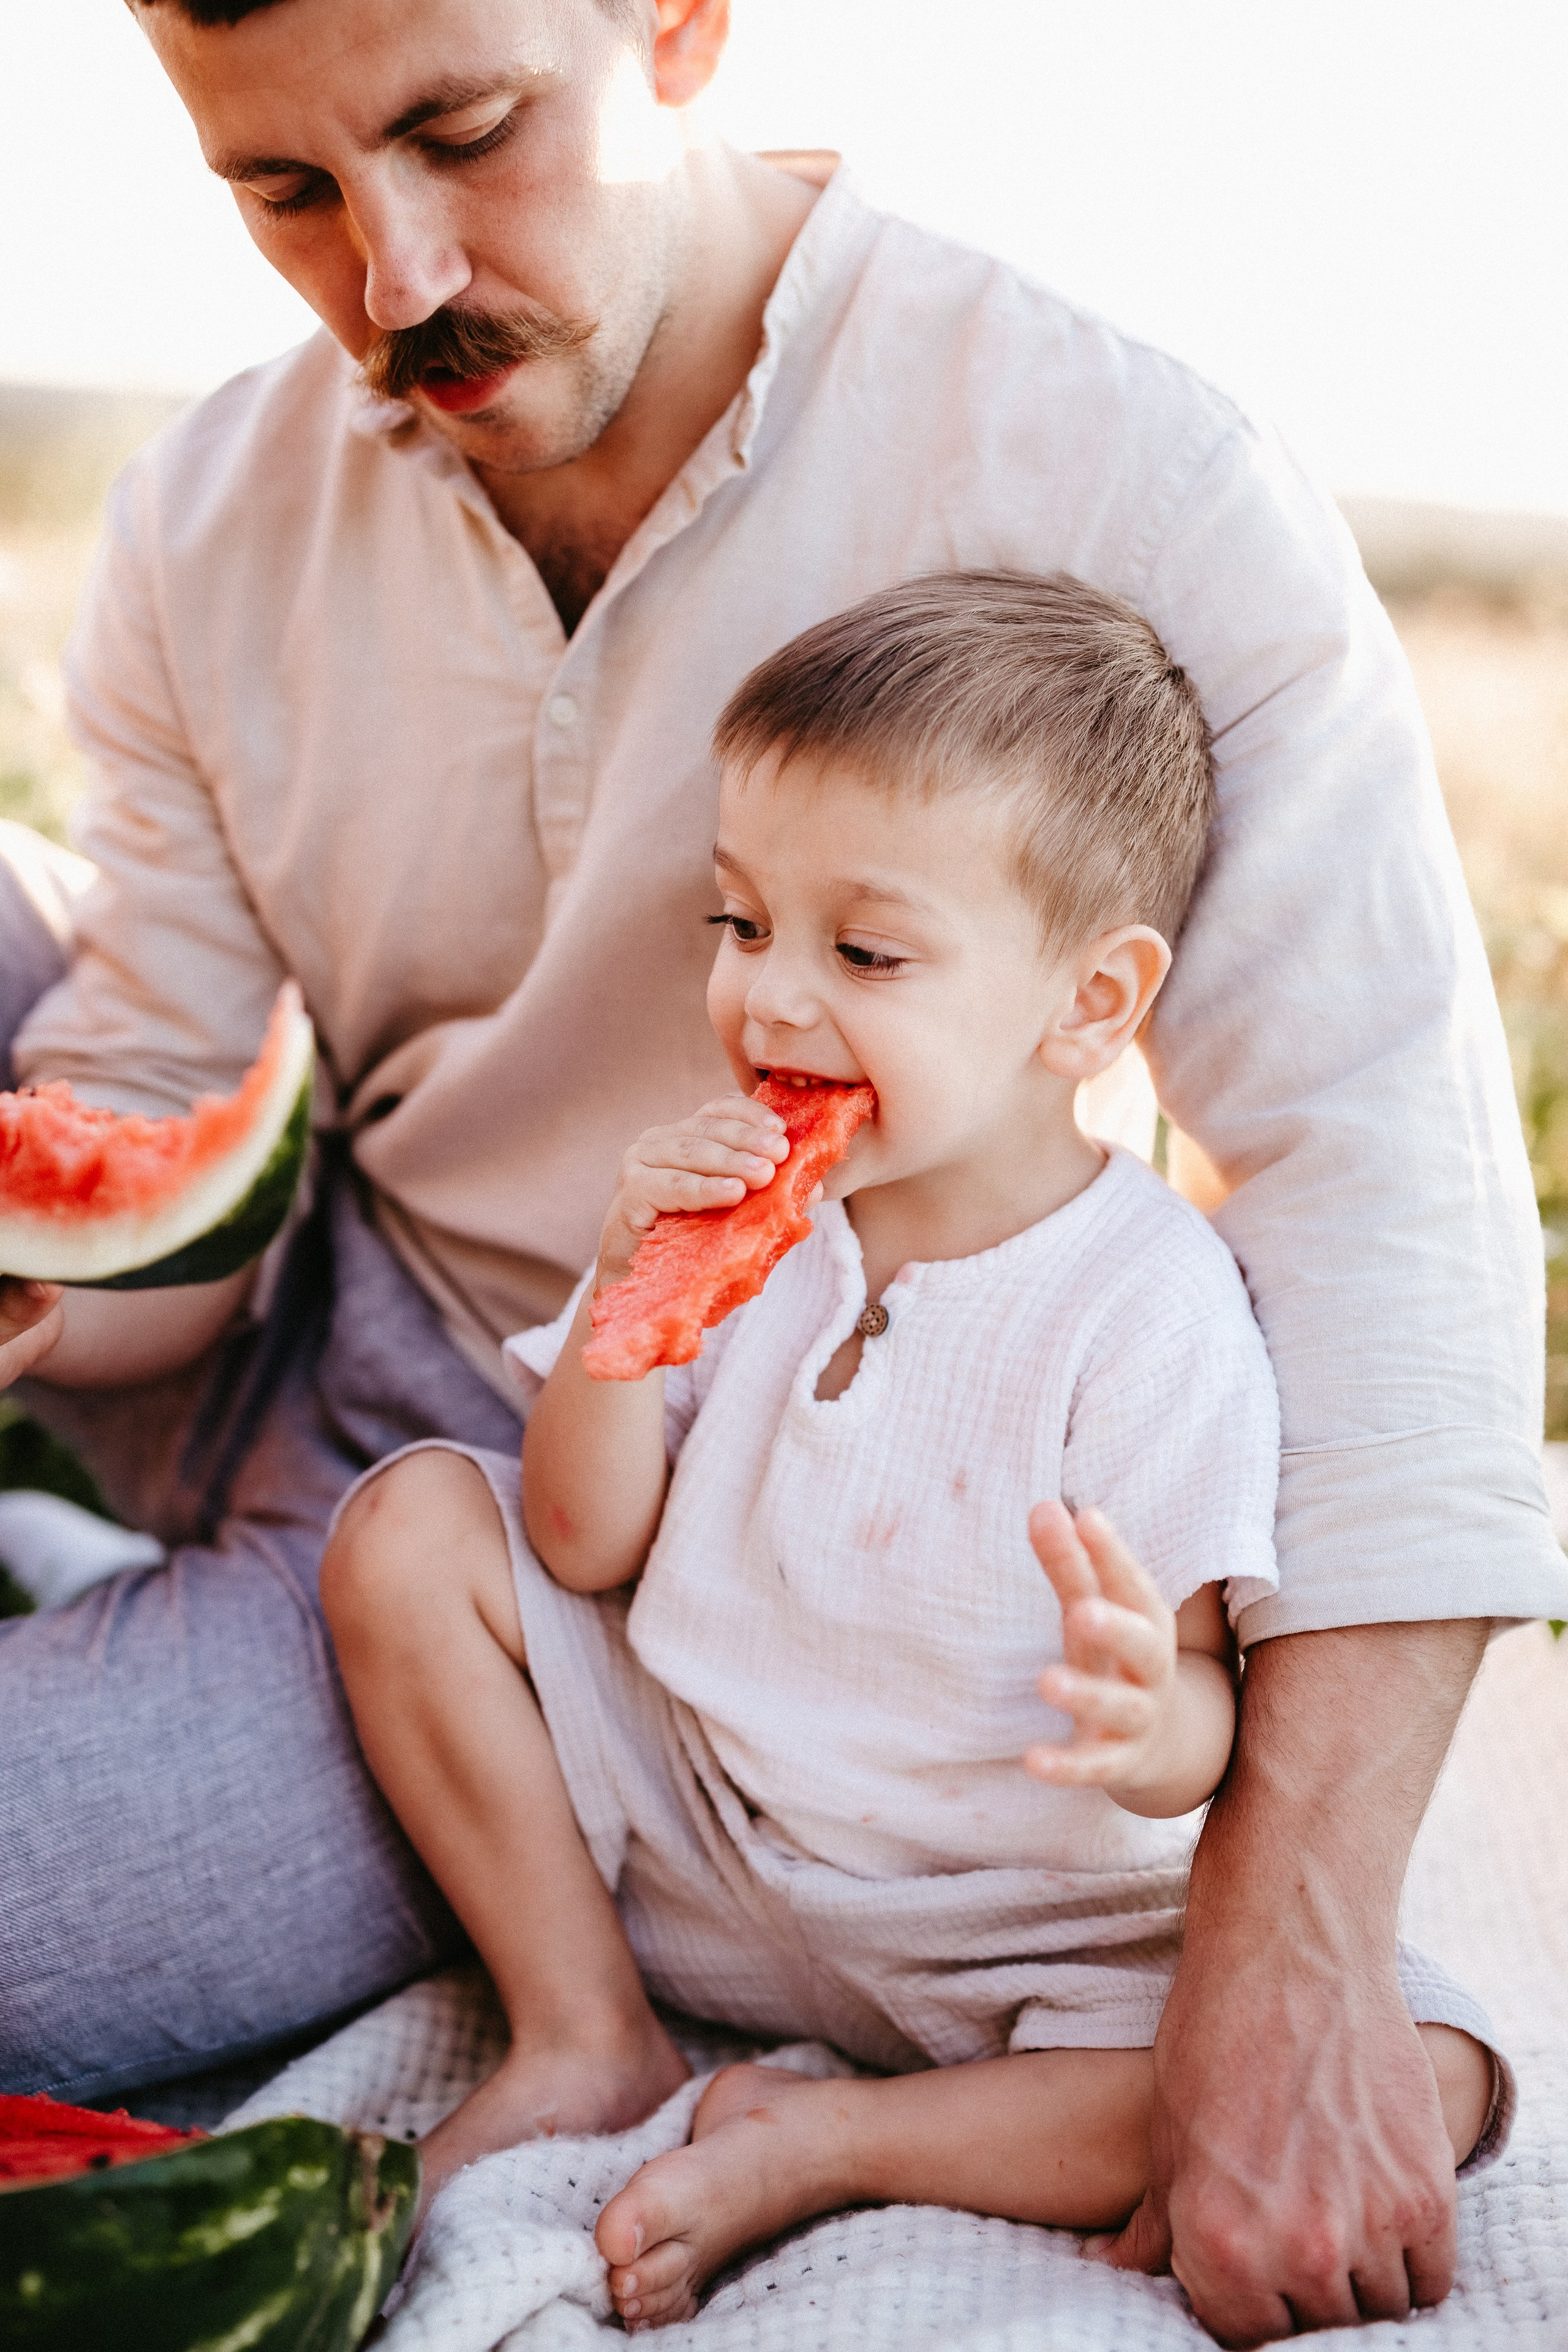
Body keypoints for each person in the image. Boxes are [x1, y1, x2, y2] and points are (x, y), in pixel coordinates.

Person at [0, 0, 1561, 2340]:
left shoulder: (1117, 471)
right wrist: (50, 1283)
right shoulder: (205, 512)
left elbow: (1387, 1210)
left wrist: (1296, 1945)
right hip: (288, 1291)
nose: (394, 277)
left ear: (681, 22)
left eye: (464, 129)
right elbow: (147, 1083)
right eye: (284, 191)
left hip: (611, 1487)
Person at [319, 575, 1504, 2328]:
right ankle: (583, 2030)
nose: (769, 1000)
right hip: (711, 1824)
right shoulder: (742, 1208)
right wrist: (624, 1313)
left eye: (864, 954)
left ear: (1089, 1006)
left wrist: (1142, 1712)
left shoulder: (1146, 1308)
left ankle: (822, 2146)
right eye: (740, 924)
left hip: (1008, 1931)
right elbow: (577, 1542)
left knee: (1427, 2073)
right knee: (409, 1523)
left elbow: (1194, 1751)